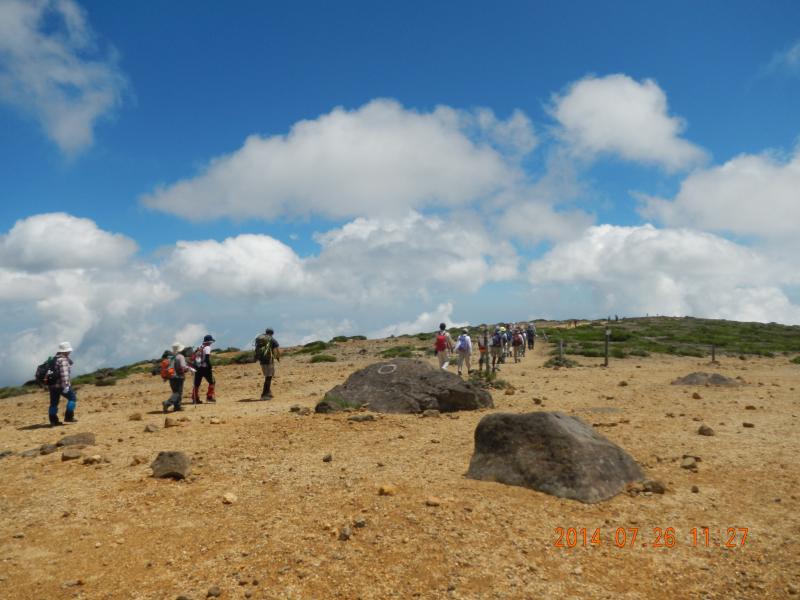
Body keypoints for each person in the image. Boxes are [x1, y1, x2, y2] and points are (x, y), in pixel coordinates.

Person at [48, 341, 77, 426]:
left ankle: (53, 420)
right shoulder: (63, 360)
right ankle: (69, 417)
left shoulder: (54, 359)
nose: (70, 352)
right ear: (65, 351)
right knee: (73, 398)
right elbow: (64, 374)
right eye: (68, 350)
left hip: (52, 386)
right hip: (61, 385)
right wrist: (66, 386)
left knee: (53, 403)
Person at [162, 343, 189, 413]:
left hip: (171, 377)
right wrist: (188, 369)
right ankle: (167, 403)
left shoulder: (170, 357)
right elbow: (183, 367)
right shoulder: (180, 356)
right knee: (178, 393)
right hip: (179, 377)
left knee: (175, 392)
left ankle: (177, 407)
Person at [255, 328, 280, 400]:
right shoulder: (272, 340)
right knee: (268, 377)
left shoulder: (260, 339)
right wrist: (278, 358)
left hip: (262, 361)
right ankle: (264, 395)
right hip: (269, 361)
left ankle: (268, 392)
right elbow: (277, 351)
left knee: (267, 376)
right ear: (272, 333)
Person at [191, 334, 216, 404]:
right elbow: (207, 359)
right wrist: (210, 367)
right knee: (212, 382)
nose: (211, 343)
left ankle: (195, 398)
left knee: (196, 384)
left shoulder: (200, 347)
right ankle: (209, 397)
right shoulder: (207, 347)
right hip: (205, 368)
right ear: (209, 341)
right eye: (211, 342)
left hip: (197, 368)